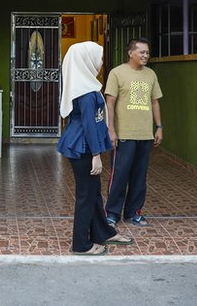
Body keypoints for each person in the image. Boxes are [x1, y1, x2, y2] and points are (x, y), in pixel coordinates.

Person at [57, 41, 135, 255]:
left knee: (93, 193)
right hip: (84, 149)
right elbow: (90, 127)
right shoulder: (86, 93)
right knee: (86, 195)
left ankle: (103, 232)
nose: (101, 62)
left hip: (82, 146)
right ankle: (81, 244)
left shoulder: (87, 87)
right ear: (86, 60)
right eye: (98, 57)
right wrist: (96, 155)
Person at [104, 38, 163, 227]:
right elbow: (110, 103)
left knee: (139, 176)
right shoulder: (117, 73)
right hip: (124, 135)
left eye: (147, 52)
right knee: (119, 175)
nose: (146, 55)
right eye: (142, 52)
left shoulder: (151, 74)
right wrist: (111, 130)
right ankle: (112, 213)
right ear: (131, 53)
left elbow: (155, 101)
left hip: (144, 135)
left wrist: (159, 127)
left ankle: (134, 212)